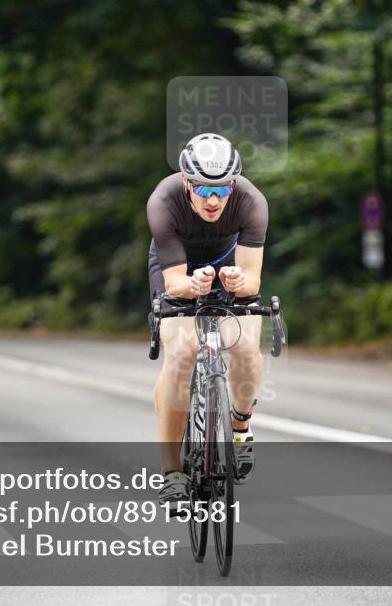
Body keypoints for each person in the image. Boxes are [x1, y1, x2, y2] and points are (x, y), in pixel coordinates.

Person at [147, 133, 268, 507]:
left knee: (247, 349)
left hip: (228, 261)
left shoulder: (251, 202)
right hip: (177, 267)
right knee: (182, 353)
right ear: (186, 182)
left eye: (222, 189)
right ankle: (172, 472)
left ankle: (241, 429)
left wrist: (238, 280)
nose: (214, 199)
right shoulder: (163, 202)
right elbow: (174, 283)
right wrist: (192, 284)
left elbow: (252, 278)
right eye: (202, 188)